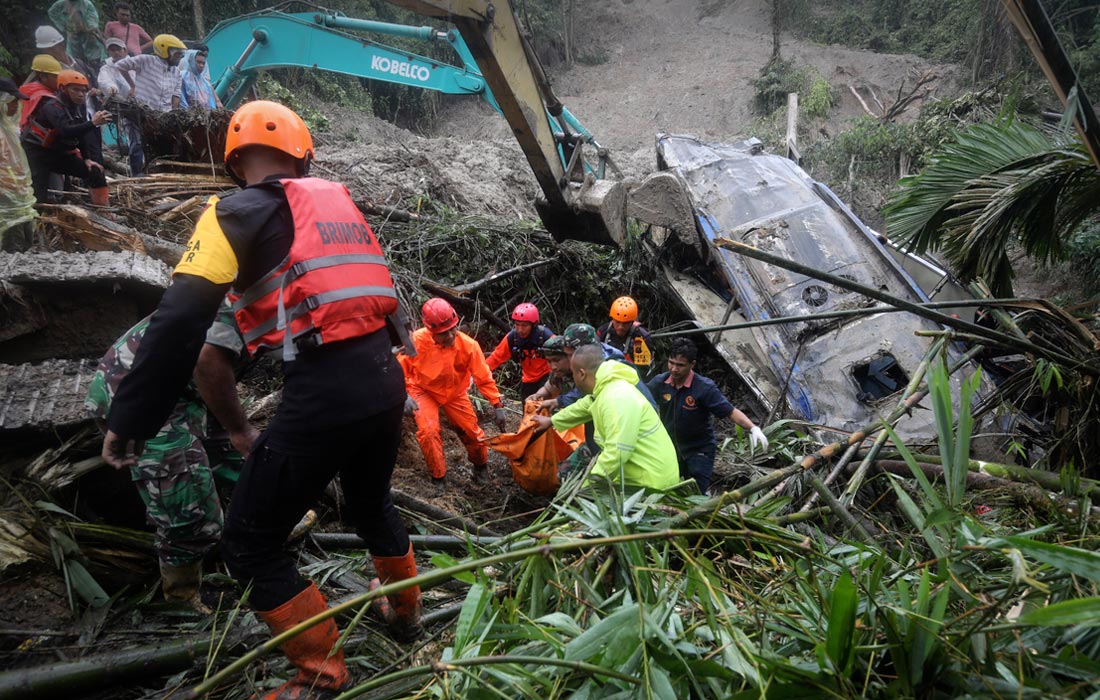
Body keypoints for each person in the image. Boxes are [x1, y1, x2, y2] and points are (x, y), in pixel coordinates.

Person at [99, 101, 422, 697]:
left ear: (233, 159)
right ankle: (406, 614)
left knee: (249, 542)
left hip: (324, 395)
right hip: (384, 379)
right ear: (304, 153)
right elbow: (386, 301)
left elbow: (180, 320)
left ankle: (321, 676)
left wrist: (132, 415)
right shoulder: (339, 204)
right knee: (372, 504)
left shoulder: (231, 212)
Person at [85, 303, 256, 612]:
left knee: (238, 463)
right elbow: (207, 361)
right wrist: (240, 428)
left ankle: (251, 529)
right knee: (186, 505)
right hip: (138, 397)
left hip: (188, 390)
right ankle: (182, 596)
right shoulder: (248, 302)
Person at [532, 344, 678, 491]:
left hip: (649, 482)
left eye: (574, 374)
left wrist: (587, 487)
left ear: (581, 374)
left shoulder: (616, 397)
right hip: (637, 473)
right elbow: (586, 405)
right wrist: (552, 421)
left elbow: (617, 452)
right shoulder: (605, 387)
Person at [399, 298, 507, 486]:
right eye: (442, 333)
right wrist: (402, 394)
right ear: (431, 330)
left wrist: (497, 404)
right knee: (428, 431)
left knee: (472, 433)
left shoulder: (468, 346)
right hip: (423, 389)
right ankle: (438, 477)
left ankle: (480, 466)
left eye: (452, 329)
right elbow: (399, 369)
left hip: (454, 392)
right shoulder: (416, 341)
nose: (449, 336)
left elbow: (483, 376)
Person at [646, 337, 769, 493]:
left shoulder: (704, 388)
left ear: (692, 365)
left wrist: (753, 428)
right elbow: (640, 398)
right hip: (670, 448)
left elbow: (730, 411)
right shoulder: (660, 382)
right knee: (671, 490)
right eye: (671, 363)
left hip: (699, 450)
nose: (674, 369)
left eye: (680, 365)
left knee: (696, 492)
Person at [21, 69, 112, 205]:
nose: (81, 95)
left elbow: (81, 134)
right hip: (38, 153)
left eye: (83, 91)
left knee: (95, 171)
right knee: (39, 193)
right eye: (75, 90)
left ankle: (105, 211)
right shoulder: (52, 106)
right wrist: (93, 123)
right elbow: (65, 131)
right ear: (63, 89)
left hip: (59, 153)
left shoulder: (78, 106)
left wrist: (87, 159)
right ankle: (37, 221)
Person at [113, 34, 185, 175]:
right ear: (164, 50)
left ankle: (155, 175)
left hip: (160, 116)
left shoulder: (176, 72)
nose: (178, 57)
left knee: (158, 147)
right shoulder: (146, 60)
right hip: (140, 113)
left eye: (180, 54)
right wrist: (132, 85)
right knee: (137, 145)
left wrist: (173, 112)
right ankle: (137, 178)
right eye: (176, 54)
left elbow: (176, 95)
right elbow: (120, 65)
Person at [485, 302, 554, 401]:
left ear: (533, 325)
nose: (520, 329)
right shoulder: (513, 338)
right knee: (527, 408)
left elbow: (562, 357)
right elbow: (496, 357)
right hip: (528, 379)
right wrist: (478, 374)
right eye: (517, 325)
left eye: (524, 325)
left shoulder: (546, 337)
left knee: (544, 407)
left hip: (547, 375)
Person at [0, 78, 37, 252]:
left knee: (26, 241)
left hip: (19, 196)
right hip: (6, 200)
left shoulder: (9, 129)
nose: (16, 106)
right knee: (11, 247)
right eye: (12, 102)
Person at [98, 37, 143, 176]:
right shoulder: (107, 69)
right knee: (135, 141)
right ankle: (138, 174)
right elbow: (105, 82)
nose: (116, 52)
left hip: (145, 108)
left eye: (118, 49)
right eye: (112, 49)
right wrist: (112, 89)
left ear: (125, 50)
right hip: (127, 109)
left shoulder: (136, 64)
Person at [597, 295, 655, 375]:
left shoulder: (641, 337)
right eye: (617, 322)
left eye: (625, 323)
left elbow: (644, 371)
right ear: (612, 319)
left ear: (632, 322)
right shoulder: (603, 332)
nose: (620, 327)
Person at [47, 0, 106, 69]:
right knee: (75, 61)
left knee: (95, 60)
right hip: (73, 36)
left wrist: (90, 27)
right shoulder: (60, 4)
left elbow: (92, 18)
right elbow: (52, 13)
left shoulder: (86, 3)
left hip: (89, 35)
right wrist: (64, 26)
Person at [18, 55, 62, 129]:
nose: (60, 80)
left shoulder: (27, 88)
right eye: (56, 77)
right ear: (43, 77)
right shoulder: (44, 97)